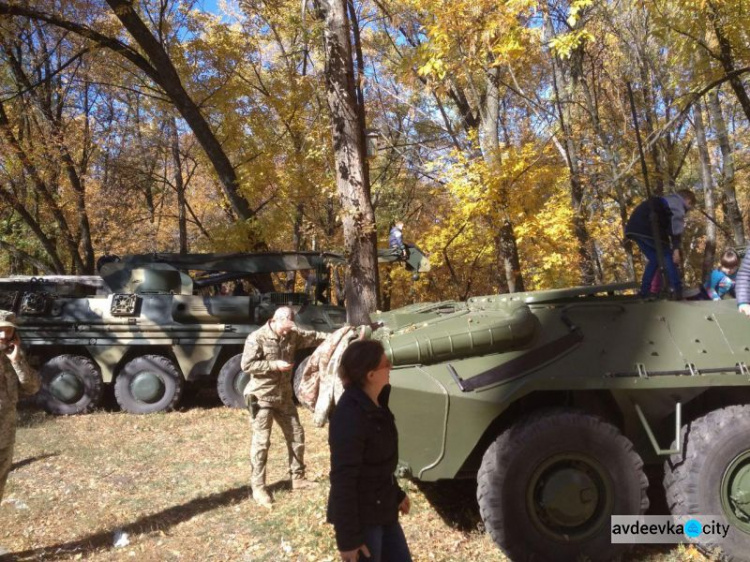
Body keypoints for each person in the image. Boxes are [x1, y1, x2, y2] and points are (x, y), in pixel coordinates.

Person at [327, 339, 412, 562]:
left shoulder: (377, 403)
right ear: (371, 375)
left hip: (383, 508)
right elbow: (343, 480)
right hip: (362, 519)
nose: (391, 367)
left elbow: (377, 464)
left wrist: (396, 494)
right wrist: (348, 540)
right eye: (387, 363)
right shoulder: (350, 416)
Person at [241, 306, 328, 508]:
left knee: (297, 435)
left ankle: (297, 478)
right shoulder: (257, 337)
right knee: (262, 443)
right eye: (285, 328)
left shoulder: (293, 334)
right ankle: (259, 487)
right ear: (275, 320)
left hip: (284, 398)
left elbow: (315, 336)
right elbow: (246, 365)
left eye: (291, 328)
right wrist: (274, 365)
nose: (288, 332)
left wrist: (342, 334)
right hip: (262, 398)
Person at [625, 189, 696, 299]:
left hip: (634, 228)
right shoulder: (677, 203)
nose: (688, 209)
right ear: (688, 200)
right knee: (667, 255)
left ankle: (644, 291)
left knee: (655, 259)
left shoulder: (666, 200)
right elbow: (675, 227)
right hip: (647, 227)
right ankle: (677, 289)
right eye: (690, 205)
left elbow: (668, 226)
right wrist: (676, 249)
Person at [0, 311, 40, 503]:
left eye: (7, 330)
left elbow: (32, 387)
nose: (2, 335)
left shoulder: (12, 358)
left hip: (5, 439)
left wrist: (17, 361)